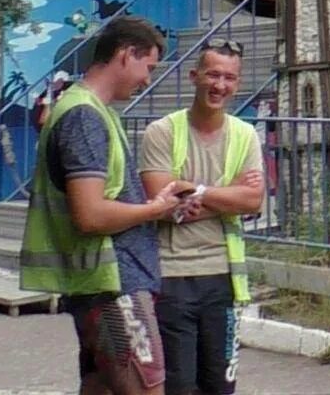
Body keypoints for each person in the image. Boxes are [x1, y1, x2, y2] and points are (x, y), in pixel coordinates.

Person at [21, 15, 191, 395]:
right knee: (147, 388)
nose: (148, 79)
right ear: (125, 54)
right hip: (113, 285)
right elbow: (91, 215)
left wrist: (156, 205)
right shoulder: (85, 117)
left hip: (105, 283)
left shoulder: (90, 112)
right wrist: (155, 210)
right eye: (147, 66)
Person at [139, 40, 268, 395]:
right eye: (212, 74)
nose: (219, 85)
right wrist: (230, 196)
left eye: (229, 77)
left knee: (220, 386)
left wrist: (190, 190)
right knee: (178, 386)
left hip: (222, 277)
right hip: (172, 277)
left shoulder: (244, 135)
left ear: (238, 83)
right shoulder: (162, 132)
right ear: (194, 76)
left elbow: (254, 200)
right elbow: (159, 201)